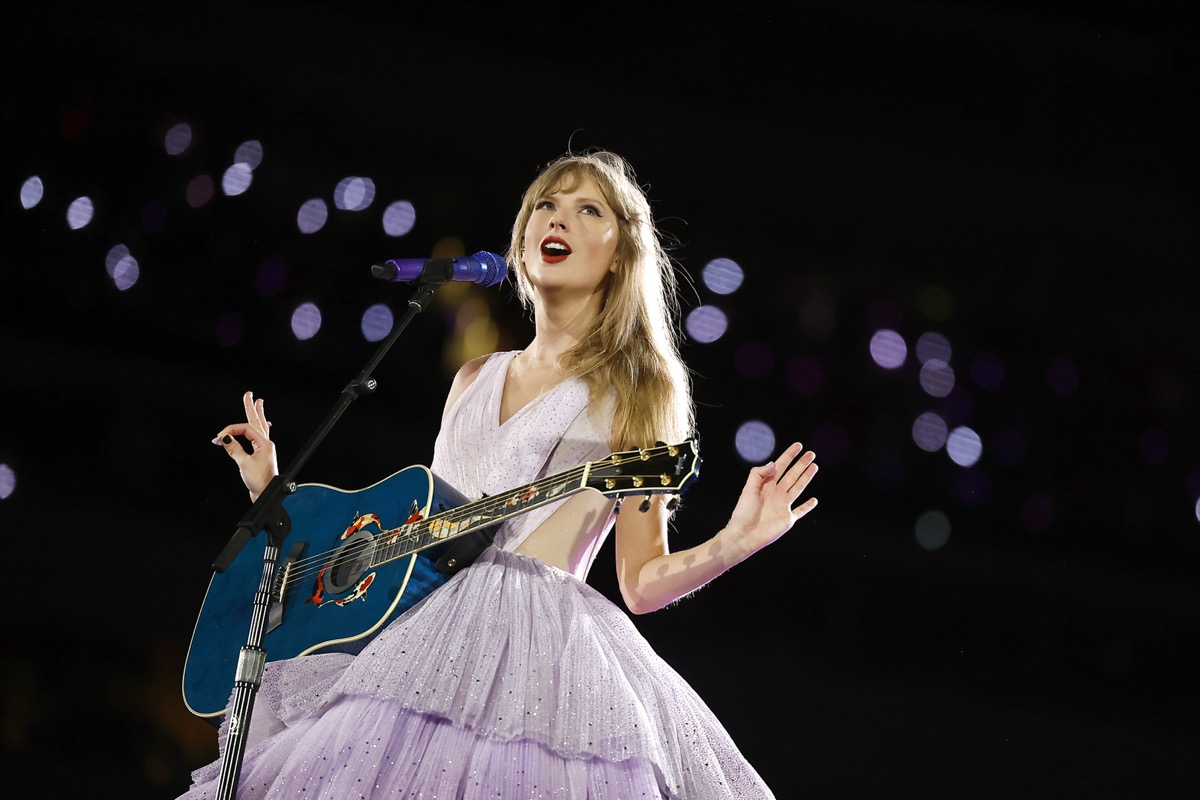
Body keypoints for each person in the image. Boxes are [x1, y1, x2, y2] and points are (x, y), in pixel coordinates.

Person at [183, 150, 819, 799]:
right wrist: (275, 494)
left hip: (537, 658)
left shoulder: (638, 389)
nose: (558, 218)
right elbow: (414, 534)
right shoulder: (472, 378)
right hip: (417, 644)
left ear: (621, 254)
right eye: (546, 204)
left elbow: (640, 582)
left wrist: (734, 542)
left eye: (587, 209)